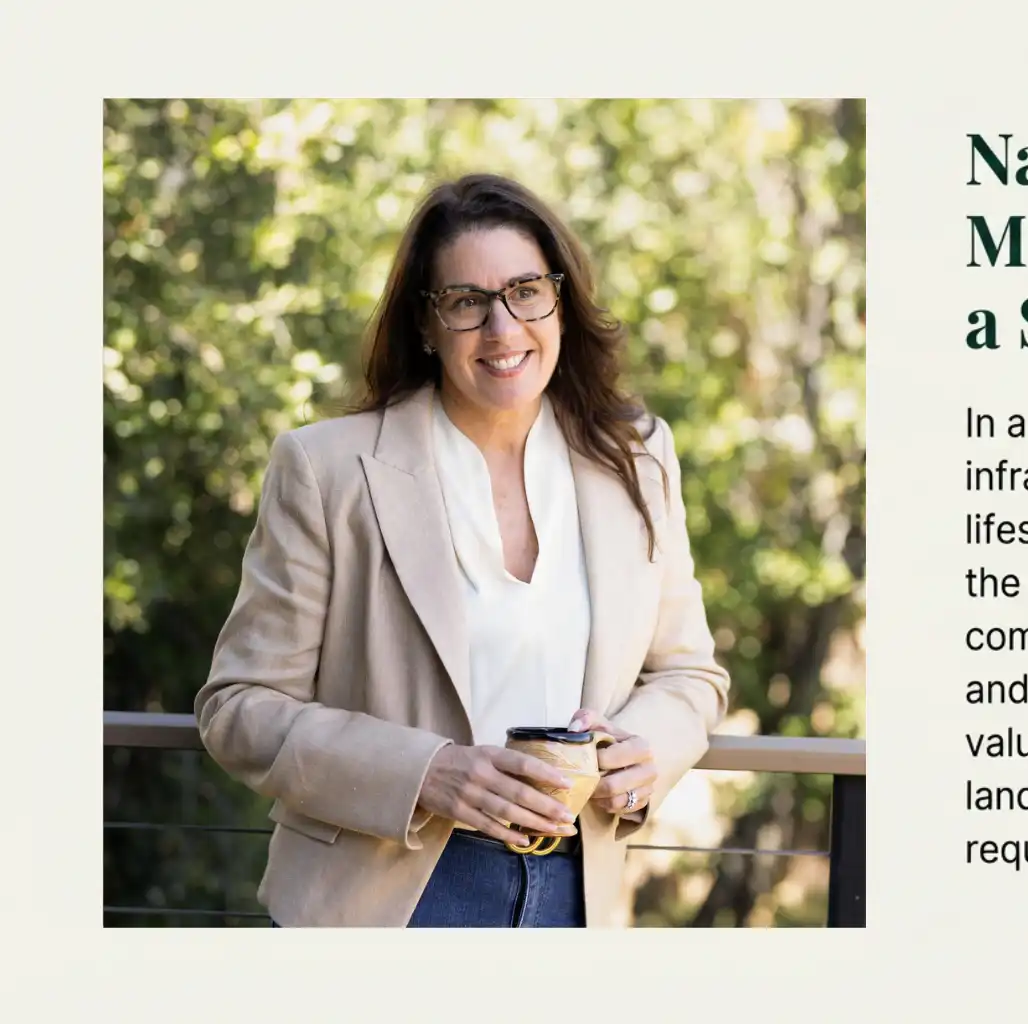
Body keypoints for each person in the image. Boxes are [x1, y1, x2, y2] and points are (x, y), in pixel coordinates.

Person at [194, 173, 730, 927]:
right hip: (388, 895)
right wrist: (428, 774)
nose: (504, 328)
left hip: (578, 899)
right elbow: (239, 707)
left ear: (562, 302)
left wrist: (646, 748)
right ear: (426, 324)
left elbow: (689, 673)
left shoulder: (636, 455)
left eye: (525, 291)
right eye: (467, 302)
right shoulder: (328, 470)